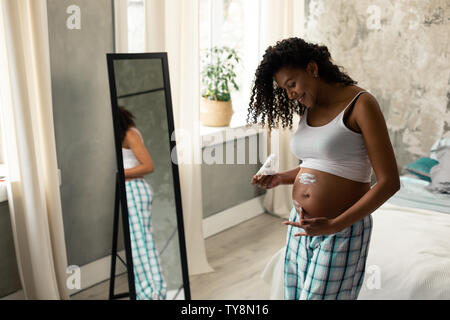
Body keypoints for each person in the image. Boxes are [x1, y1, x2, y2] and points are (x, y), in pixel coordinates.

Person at [249, 37, 400, 300]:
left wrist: (334, 225)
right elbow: (319, 165)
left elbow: (389, 182)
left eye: (292, 84)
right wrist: (280, 178)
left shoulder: (361, 104)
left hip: (341, 228)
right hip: (300, 226)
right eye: (285, 90)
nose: (291, 94)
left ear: (312, 69)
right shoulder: (308, 106)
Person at [118, 106, 167, 300]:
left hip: (135, 190)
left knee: (143, 245)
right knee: (137, 247)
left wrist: (119, 174)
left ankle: (154, 293)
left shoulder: (130, 134)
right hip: (129, 192)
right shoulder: (121, 136)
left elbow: (148, 166)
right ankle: (145, 292)